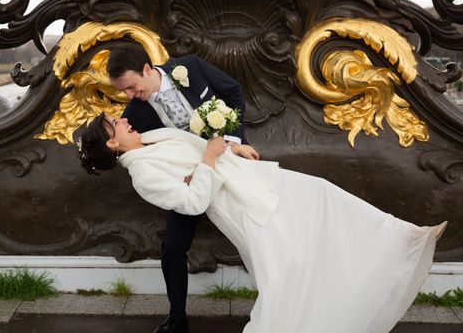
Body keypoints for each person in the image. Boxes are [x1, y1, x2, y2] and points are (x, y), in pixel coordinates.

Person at [77, 114, 447, 333]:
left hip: (252, 178)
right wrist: (206, 161)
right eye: (116, 124)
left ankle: (399, 236)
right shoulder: (142, 172)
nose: (124, 119)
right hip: (239, 203)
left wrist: (229, 149)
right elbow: (191, 203)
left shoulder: (150, 139)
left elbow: (197, 147)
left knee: (321, 194)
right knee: (286, 265)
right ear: (112, 145)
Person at [107, 44, 256, 333]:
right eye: (123, 91)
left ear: (148, 69)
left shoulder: (189, 67)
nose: (129, 96)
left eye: (132, 87)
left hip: (230, 155)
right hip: (191, 180)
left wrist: (234, 140)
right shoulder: (134, 112)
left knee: (259, 228)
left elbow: (233, 91)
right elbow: (134, 150)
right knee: (173, 248)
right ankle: (176, 319)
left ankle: (276, 294)